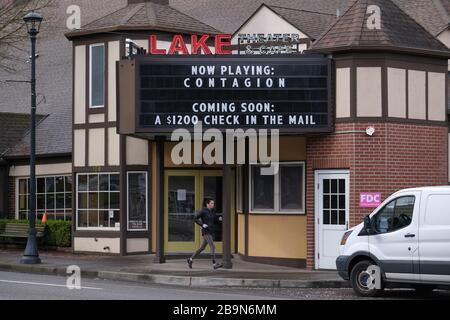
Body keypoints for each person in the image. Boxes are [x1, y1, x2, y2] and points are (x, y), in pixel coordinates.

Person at [187, 198, 223, 269]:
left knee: (202, 248)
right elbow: (195, 218)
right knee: (212, 246)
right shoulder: (203, 211)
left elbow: (214, 220)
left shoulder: (213, 211)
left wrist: (219, 219)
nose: (213, 204)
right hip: (206, 232)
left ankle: (190, 259)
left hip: (211, 231)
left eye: (213, 203)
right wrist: (202, 224)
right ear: (207, 204)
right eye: (212, 203)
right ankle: (214, 264)